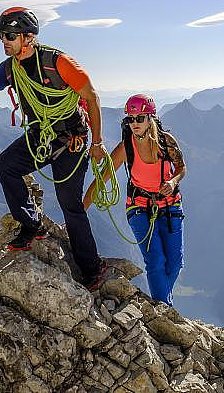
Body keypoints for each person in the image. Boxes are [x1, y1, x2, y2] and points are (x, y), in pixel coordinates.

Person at [0, 6, 109, 290]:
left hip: (72, 139)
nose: (4, 41)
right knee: (6, 165)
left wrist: (98, 143)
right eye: (2, 35)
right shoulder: (10, 68)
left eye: (10, 35)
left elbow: (92, 97)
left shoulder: (59, 62)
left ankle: (92, 269)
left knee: (71, 205)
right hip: (43, 134)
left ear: (28, 37)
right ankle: (31, 225)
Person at [85, 94, 186, 305]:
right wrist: (78, 213)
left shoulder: (166, 142)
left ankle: (163, 303)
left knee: (175, 263)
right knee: (155, 261)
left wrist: (173, 182)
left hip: (169, 206)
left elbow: (181, 168)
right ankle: (164, 309)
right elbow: (101, 180)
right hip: (139, 207)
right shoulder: (126, 148)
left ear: (151, 118)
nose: (135, 123)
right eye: (131, 119)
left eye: (140, 118)